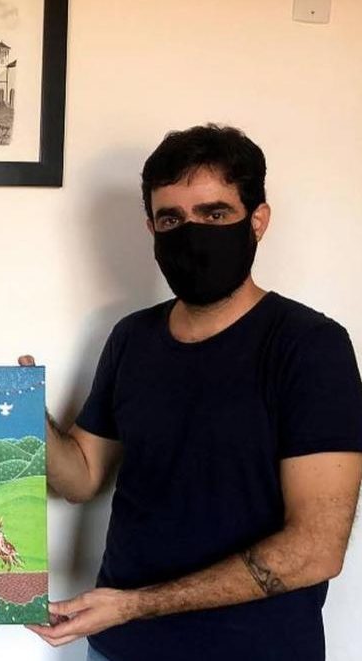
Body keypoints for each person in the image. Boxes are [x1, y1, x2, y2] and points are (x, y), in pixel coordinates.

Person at [24, 124, 362, 660]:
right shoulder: (132, 338)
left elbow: (316, 549)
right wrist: (26, 415)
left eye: (215, 214)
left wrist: (134, 605)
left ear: (257, 220)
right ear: (152, 228)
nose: (192, 234)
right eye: (171, 219)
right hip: (118, 649)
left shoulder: (310, 347)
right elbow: (82, 478)